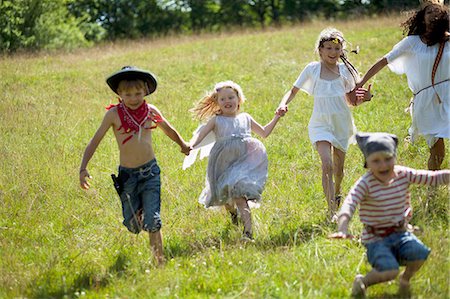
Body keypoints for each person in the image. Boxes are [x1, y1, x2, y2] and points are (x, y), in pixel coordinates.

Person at [79, 66, 190, 265]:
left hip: (150, 173)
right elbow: (95, 140)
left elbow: (168, 129)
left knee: (153, 221)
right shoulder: (113, 114)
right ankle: (138, 215)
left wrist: (183, 145)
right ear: (119, 94)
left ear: (145, 91)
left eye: (138, 93)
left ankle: (159, 263)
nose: (133, 98)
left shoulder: (151, 111)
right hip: (127, 176)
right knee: (133, 225)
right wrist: (83, 167)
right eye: (127, 94)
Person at [329, 132, 450, 298]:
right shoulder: (366, 183)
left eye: (387, 159)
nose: (383, 165)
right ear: (367, 163)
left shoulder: (402, 174)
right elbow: (349, 204)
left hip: (401, 233)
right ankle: (363, 281)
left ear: (394, 157)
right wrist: (342, 228)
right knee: (389, 270)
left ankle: (405, 280)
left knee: (419, 255)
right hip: (376, 238)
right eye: (376, 161)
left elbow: (432, 177)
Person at [277, 28, 372, 219]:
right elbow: (293, 91)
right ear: (320, 50)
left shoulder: (346, 71)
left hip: (341, 124)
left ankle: (337, 192)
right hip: (320, 124)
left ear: (342, 51)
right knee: (326, 164)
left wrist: (366, 98)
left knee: (339, 169)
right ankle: (331, 212)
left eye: (337, 48)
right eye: (328, 48)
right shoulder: (312, 69)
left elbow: (352, 101)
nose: (332, 52)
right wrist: (283, 104)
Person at [185, 80, 285, 241]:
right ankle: (232, 214)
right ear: (217, 102)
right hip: (222, 163)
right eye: (222, 99)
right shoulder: (216, 120)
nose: (227, 101)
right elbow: (200, 135)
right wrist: (190, 145)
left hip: (243, 163)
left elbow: (265, 133)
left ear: (239, 99)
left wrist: (277, 116)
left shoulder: (246, 118)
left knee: (239, 194)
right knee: (225, 195)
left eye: (231, 97)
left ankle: (248, 233)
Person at [355, 0, 449, 170]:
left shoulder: (448, 40)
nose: (434, 15)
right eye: (429, 12)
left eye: (437, 12)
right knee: (438, 153)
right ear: (422, 19)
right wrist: (361, 82)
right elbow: (384, 61)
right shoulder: (412, 42)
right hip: (427, 102)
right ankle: (431, 191)